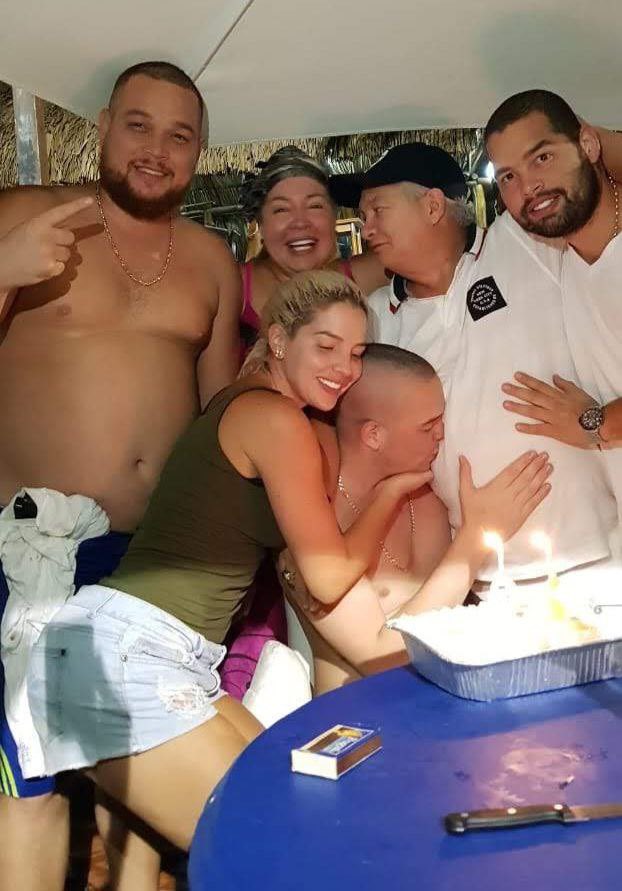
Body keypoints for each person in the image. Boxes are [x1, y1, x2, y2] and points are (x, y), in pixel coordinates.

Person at [23, 270, 436, 862]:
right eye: (326, 346)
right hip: (125, 656)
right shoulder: (274, 419)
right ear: (278, 340)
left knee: (280, 795)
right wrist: (391, 492)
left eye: (356, 353)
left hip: (156, 653)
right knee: (270, 842)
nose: (344, 368)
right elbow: (326, 575)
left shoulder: (247, 404)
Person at [0, 60, 241, 891]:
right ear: (102, 127)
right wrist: (3, 268)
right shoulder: (26, 215)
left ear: (198, 152)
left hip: (157, 561)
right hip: (39, 548)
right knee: (31, 783)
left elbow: (223, 421)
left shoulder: (212, 259)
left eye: (179, 136)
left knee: (137, 782)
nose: (156, 149)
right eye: (138, 125)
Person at [359, 142, 619, 588]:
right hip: (479, 577)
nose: (366, 229)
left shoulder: (522, 241)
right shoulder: (376, 317)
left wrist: (595, 421)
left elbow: (597, 186)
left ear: (433, 205)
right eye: (363, 217)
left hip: (597, 557)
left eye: (377, 211)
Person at [282, 343, 552, 692]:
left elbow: (444, 618)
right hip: (358, 716)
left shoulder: (424, 498)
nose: (441, 435)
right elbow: (384, 657)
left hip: (444, 703)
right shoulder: (313, 520)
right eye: (427, 427)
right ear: (374, 435)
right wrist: (476, 538)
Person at [483, 90, 622, 523]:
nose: (529, 187)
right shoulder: (555, 254)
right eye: (508, 176)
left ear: (588, 143)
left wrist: (595, 423)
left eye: (542, 158)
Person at [239, 146, 387, 349]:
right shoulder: (233, 285)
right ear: (260, 223)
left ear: (334, 216)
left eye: (315, 206)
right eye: (281, 209)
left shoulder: (369, 274)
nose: (300, 222)